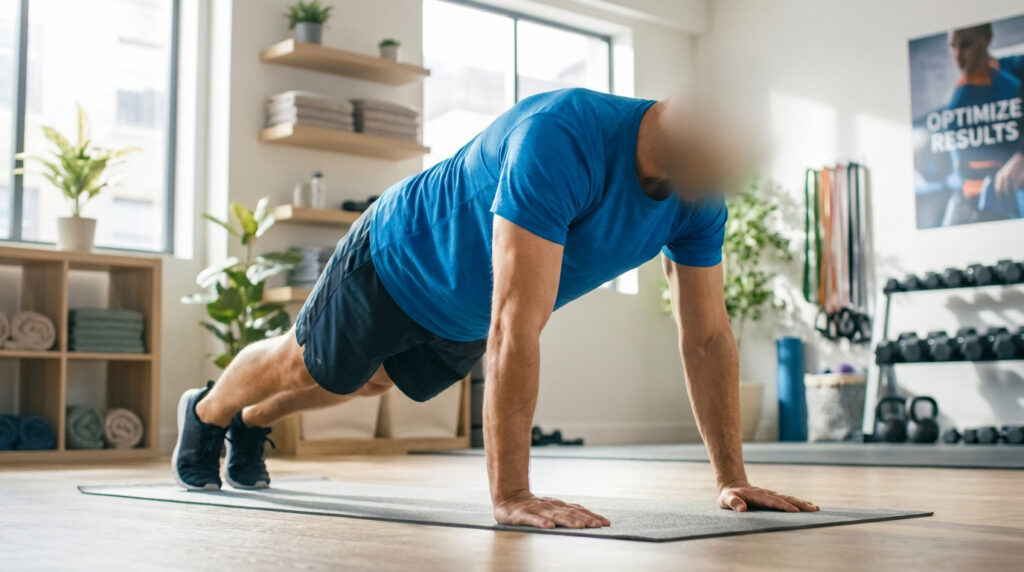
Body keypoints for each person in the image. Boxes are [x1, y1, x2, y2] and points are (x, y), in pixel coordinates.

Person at [173, 88, 819, 529]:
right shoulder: (562, 138)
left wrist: (732, 478)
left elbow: (706, 339)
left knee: (363, 383)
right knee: (302, 363)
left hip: (462, 312)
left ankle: (251, 421)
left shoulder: (698, 199)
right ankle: (206, 411)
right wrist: (512, 495)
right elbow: (516, 326)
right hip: (400, 256)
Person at [940, 24, 1024, 225]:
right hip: (972, 195)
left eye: (966, 45)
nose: (958, 56)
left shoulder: (1016, 71)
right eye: (953, 47)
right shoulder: (957, 98)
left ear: (986, 39)